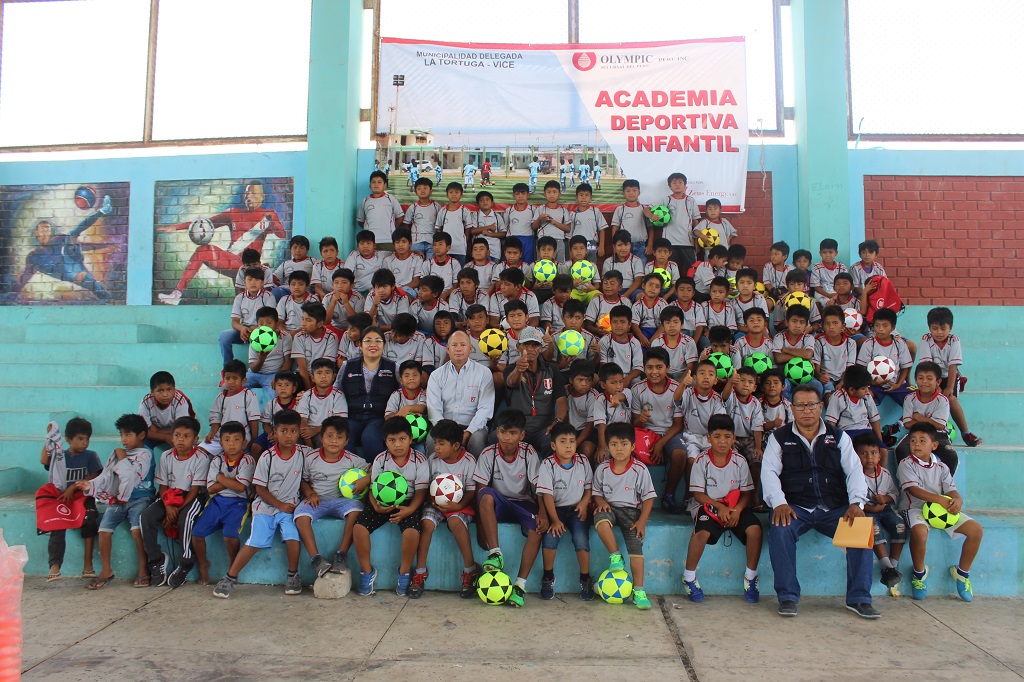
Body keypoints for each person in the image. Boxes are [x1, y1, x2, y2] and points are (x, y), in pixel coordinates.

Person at [761, 384, 878, 618]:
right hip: (796, 507)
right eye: (801, 405)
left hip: (834, 507)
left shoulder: (838, 437)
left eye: (812, 405)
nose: (807, 410)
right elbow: (769, 472)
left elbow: (855, 470)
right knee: (780, 529)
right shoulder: (779, 438)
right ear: (792, 409)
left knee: (862, 530)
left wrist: (857, 503)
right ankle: (787, 596)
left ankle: (859, 598)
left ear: (821, 407)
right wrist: (779, 503)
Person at [213, 409, 309, 598]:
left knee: (292, 537)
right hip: (265, 506)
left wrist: (308, 494)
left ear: (299, 432)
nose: (289, 436)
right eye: (284, 431)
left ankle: (292, 575)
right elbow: (260, 489)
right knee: (254, 541)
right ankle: (229, 578)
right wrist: (279, 505)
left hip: (289, 506)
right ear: (274, 432)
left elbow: (306, 479)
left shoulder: (304, 454)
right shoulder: (267, 457)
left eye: (293, 431)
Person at [157, 181, 286, 305]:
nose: (249, 196)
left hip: (250, 268)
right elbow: (205, 224)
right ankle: (177, 294)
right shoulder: (233, 213)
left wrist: (273, 220)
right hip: (231, 261)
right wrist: (176, 227)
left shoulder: (268, 215)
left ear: (262, 197)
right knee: (203, 251)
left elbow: (282, 234)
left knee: (243, 304)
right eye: (247, 193)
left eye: (253, 193)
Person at [897, 422, 983, 602]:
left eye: (922, 440)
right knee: (919, 533)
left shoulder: (942, 467)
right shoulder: (906, 464)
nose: (916, 444)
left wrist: (957, 500)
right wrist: (941, 499)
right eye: (913, 441)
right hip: (914, 509)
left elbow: (950, 489)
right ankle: (919, 574)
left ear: (934, 446)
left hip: (939, 510)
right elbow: (914, 490)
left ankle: (962, 574)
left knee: (976, 530)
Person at [683, 414, 762, 603]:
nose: (722, 441)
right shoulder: (701, 461)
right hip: (710, 505)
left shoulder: (740, 461)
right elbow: (698, 495)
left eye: (727, 436)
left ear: (734, 438)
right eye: (717, 436)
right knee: (701, 534)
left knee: (755, 530)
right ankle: (689, 577)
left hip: (735, 507)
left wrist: (736, 510)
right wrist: (719, 507)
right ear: (709, 438)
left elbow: (746, 493)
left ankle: (750, 577)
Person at [474, 409, 545, 608]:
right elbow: (480, 491)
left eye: (513, 433)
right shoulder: (489, 453)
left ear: (521, 435)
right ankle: (496, 553)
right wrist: (481, 527)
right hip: (500, 502)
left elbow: (538, 487)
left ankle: (520, 585)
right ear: (497, 432)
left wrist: (542, 513)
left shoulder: (528, 452)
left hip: (523, 502)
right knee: (486, 494)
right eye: (504, 432)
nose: (507, 437)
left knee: (537, 530)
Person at [353, 417, 430, 596]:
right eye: (391, 440)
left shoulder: (420, 460)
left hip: (408, 502)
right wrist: (376, 506)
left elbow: (421, 491)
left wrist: (410, 510)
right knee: (359, 529)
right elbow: (373, 487)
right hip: (381, 502)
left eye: (402, 439)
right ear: (385, 441)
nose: (397, 445)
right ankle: (367, 572)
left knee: (411, 533)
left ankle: (404, 573)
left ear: (411, 439)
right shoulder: (381, 459)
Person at [76, 414, 153, 590]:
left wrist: (123, 457)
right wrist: (89, 484)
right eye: (122, 435)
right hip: (118, 500)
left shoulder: (145, 454)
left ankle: (143, 567)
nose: (123, 439)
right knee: (103, 531)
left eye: (128, 435)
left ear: (141, 435)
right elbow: (107, 477)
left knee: (136, 530)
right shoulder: (119, 454)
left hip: (140, 498)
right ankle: (106, 570)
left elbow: (131, 477)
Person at [410, 420, 480, 598]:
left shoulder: (469, 461)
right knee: (426, 524)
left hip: (459, 505)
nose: (437, 448)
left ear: (456, 445)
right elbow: (425, 486)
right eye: (435, 443)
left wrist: (459, 505)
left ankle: (470, 569)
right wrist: (431, 500)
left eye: (441, 444)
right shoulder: (432, 460)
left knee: (456, 522)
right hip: (434, 505)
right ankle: (420, 572)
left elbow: (472, 491)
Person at [592, 422, 656, 609]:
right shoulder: (603, 469)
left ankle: (639, 591)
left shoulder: (640, 470)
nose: (619, 449)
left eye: (624, 444)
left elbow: (649, 498)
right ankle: (615, 556)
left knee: (636, 548)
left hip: (631, 512)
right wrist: (601, 502)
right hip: (610, 508)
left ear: (633, 446)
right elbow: (596, 492)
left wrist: (642, 522)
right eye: (614, 444)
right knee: (600, 519)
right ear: (607, 447)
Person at [294, 416, 368, 578]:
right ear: (321, 438)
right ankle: (316, 559)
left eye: (339, 437)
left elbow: (372, 470)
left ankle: (341, 554)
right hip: (318, 500)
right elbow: (304, 481)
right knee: (300, 516)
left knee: (356, 511)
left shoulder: (352, 459)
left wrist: (365, 479)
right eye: (329, 436)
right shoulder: (311, 458)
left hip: (343, 502)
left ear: (346, 441)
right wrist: (310, 493)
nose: (334, 441)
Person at [141, 416, 209, 588]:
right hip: (169, 496)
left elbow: (194, 490)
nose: (181, 440)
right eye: (177, 435)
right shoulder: (166, 456)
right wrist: (168, 506)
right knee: (146, 517)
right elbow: (163, 487)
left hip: (191, 497)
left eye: (187, 436)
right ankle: (156, 561)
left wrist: (176, 510)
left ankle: (186, 562)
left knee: (185, 520)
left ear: (195, 439)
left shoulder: (201, 458)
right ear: (171, 437)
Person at [190, 420, 255, 586]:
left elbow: (241, 488)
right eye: (226, 440)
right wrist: (229, 480)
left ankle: (233, 568)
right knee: (197, 533)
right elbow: (211, 489)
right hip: (217, 501)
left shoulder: (247, 460)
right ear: (221, 442)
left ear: (244, 442)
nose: (231, 444)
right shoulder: (217, 460)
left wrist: (220, 478)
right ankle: (203, 564)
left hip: (239, 503)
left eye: (236, 439)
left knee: (230, 535)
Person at [537, 422, 594, 600]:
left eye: (572, 441)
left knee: (581, 539)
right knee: (550, 538)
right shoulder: (548, 464)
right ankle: (548, 576)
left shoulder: (583, 461)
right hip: (556, 510)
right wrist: (554, 520)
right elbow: (546, 495)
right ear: (554, 445)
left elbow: (588, 488)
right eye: (563, 441)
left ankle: (585, 578)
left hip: (578, 509)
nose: (569, 445)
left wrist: (584, 503)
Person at [40, 417, 101, 581]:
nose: (85, 443)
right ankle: (55, 565)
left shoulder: (90, 456)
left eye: (87, 438)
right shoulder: (60, 456)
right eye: (80, 439)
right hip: (62, 498)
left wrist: (73, 487)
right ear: (68, 440)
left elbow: (95, 475)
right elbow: (44, 461)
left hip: (82, 496)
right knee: (57, 523)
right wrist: (49, 439)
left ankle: (88, 564)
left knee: (90, 518)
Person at [917, 307, 983, 446]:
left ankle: (966, 433)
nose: (939, 332)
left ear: (950, 328)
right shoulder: (926, 339)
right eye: (934, 328)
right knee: (929, 397)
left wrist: (949, 387)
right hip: (931, 376)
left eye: (943, 328)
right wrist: (935, 385)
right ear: (929, 328)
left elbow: (953, 366)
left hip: (949, 377)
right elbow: (927, 365)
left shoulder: (954, 341)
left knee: (950, 399)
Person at [426, 331, 495, 456]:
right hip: (444, 426)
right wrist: (446, 433)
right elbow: (433, 409)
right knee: (432, 441)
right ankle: (435, 475)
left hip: (473, 427)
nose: (458, 349)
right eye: (454, 345)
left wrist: (469, 432)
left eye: (463, 345)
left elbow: (485, 409)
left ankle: (476, 475)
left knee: (477, 440)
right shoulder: (436, 375)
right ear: (447, 349)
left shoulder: (484, 373)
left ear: (470, 349)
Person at [853, 433, 905, 594]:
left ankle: (893, 566)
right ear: (855, 455)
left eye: (874, 453)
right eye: (863, 453)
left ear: (880, 455)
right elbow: (851, 499)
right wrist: (871, 509)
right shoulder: (854, 475)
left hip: (885, 508)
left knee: (900, 526)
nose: (869, 457)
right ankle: (886, 566)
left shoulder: (885, 474)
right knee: (873, 529)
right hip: (865, 510)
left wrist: (885, 499)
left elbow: (894, 495)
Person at [503, 326, 567, 456]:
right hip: (518, 428)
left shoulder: (552, 370)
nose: (531, 349)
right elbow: (511, 382)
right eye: (526, 344)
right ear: (518, 346)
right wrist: (518, 370)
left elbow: (562, 401)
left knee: (558, 442)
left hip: (544, 429)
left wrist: (557, 421)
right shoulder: (510, 370)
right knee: (495, 438)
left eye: (535, 345)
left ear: (541, 347)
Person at [337, 326, 399, 458]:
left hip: (378, 418)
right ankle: (356, 470)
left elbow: (401, 393)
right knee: (341, 438)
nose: (373, 344)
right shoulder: (347, 366)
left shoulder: (393, 367)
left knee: (370, 437)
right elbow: (336, 391)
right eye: (368, 340)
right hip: (351, 418)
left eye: (378, 341)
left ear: (384, 345)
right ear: (360, 345)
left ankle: (375, 471)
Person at [890, 361, 959, 474]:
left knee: (951, 456)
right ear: (916, 380)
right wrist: (929, 421)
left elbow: (940, 426)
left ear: (938, 382)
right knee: (901, 450)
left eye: (929, 378)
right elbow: (907, 424)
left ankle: (945, 488)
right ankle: (907, 486)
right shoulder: (909, 398)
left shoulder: (942, 400)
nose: (924, 382)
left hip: (938, 435)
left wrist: (918, 417)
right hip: (915, 433)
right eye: (920, 378)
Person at [826, 365, 888, 466]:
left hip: (867, 431)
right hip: (848, 433)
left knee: (883, 452)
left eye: (867, 387)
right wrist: (834, 442)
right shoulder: (838, 397)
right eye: (863, 388)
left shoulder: (867, 396)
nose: (867, 391)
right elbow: (831, 423)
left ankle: (882, 477)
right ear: (851, 390)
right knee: (859, 455)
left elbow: (874, 420)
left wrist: (879, 440)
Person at [201, 360, 261, 458]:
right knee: (199, 452)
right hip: (221, 436)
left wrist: (254, 440)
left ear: (243, 380)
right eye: (227, 378)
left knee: (233, 453)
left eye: (235, 378)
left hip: (240, 437)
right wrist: (211, 433)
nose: (231, 382)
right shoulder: (220, 397)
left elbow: (253, 421)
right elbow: (216, 419)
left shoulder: (248, 395)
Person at [222, 267, 277, 366]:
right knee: (224, 336)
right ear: (244, 282)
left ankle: (257, 368)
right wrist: (242, 328)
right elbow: (234, 322)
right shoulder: (239, 298)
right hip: (243, 331)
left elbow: (270, 320)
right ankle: (227, 368)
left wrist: (254, 329)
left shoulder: (268, 296)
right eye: (250, 279)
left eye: (257, 280)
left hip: (261, 329)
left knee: (259, 336)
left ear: (262, 282)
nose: (253, 283)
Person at [297, 358, 348, 447]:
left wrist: (315, 430)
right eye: (319, 373)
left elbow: (339, 421)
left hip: (327, 431)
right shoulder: (306, 395)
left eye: (327, 373)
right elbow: (302, 420)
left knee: (325, 439)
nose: (323, 376)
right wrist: (308, 440)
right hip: (307, 432)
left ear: (333, 377)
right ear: (312, 377)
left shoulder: (338, 396)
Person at [137, 371, 195, 451]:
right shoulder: (146, 402)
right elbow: (144, 432)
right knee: (140, 442)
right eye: (160, 390)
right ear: (152, 392)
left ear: (174, 390)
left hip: (176, 434)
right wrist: (165, 437)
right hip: (157, 435)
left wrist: (157, 431)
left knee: (183, 441)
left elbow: (182, 429)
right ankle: (149, 463)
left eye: (169, 390)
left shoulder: (180, 401)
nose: (165, 395)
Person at [247, 307, 293, 405]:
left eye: (269, 323)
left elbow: (288, 362)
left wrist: (278, 377)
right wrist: (261, 359)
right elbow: (253, 369)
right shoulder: (255, 338)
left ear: (276, 324)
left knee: (277, 395)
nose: (265, 326)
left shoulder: (285, 337)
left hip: (273, 374)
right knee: (229, 388)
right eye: (261, 323)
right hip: (255, 374)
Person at [291, 303, 341, 390]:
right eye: (303, 319)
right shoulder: (299, 337)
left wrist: (315, 383)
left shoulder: (331, 337)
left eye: (308, 320)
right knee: (295, 382)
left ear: (320, 324)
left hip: (323, 373)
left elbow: (326, 365)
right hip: (304, 375)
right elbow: (302, 367)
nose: (303, 324)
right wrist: (309, 390)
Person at [659, 173, 702, 272]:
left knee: (691, 270)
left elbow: (695, 221)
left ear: (685, 185)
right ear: (670, 186)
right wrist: (652, 216)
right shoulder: (666, 200)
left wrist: (696, 241)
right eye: (674, 183)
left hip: (687, 243)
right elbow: (648, 210)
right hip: (670, 243)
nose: (677, 185)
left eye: (680, 182)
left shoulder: (691, 201)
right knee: (671, 271)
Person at [611, 179, 654, 263]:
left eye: (634, 190)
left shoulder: (644, 209)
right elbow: (615, 228)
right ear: (623, 193)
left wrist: (650, 245)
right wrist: (614, 245)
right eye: (628, 191)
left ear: (639, 192)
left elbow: (650, 229)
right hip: (624, 245)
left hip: (641, 246)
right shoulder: (620, 209)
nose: (631, 193)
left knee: (640, 271)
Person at [356, 170, 405, 245]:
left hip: (388, 240)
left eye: (379, 182)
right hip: (370, 242)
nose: (376, 184)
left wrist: (391, 229)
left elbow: (400, 217)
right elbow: (361, 221)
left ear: (385, 185)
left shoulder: (390, 199)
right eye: (373, 182)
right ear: (370, 185)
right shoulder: (365, 201)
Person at [434, 182, 475, 265]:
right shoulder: (442, 211)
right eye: (451, 192)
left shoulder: (465, 211)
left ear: (461, 195)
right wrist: (442, 243)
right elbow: (439, 228)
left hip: (460, 248)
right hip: (445, 249)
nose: (453, 195)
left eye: (456, 192)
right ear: (447, 195)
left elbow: (468, 229)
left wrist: (463, 241)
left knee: (460, 272)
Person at [532, 181, 571, 262]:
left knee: (559, 267)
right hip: (543, 242)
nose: (552, 194)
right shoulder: (540, 209)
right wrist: (540, 218)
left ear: (559, 194)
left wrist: (554, 222)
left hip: (559, 241)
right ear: (544, 195)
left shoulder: (564, 211)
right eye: (549, 192)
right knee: (542, 267)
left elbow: (568, 229)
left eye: (554, 192)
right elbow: (533, 227)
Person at [270, 236, 318, 300]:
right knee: (275, 292)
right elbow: (273, 278)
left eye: (301, 248)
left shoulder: (313, 261)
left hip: (305, 290)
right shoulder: (285, 264)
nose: (298, 250)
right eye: (295, 247)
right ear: (291, 249)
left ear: (307, 250)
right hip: (287, 290)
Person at [404, 177, 440, 258]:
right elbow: (406, 224)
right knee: (417, 265)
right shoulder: (412, 207)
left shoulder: (436, 206)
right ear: (416, 192)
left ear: (431, 191)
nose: (422, 190)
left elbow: (440, 224)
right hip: (416, 241)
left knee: (430, 264)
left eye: (425, 188)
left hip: (432, 241)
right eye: (419, 188)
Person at [383, 228, 424, 299]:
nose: (400, 245)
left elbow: (416, 282)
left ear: (410, 244)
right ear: (393, 245)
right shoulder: (387, 260)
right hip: (392, 291)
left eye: (404, 242)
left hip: (410, 290)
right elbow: (386, 281)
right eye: (397, 242)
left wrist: (400, 289)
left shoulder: (417, 259)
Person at [570, 183, 606, 262]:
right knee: (577, 267)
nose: (584, 198)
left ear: (590, 198)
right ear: (577, 197)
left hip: (592, 244)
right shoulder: (573, 214)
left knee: (591, 267)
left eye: (586, 195)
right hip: (577, 244)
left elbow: (602, 229)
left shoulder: (595, 211)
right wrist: (570, 249)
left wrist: (601, 246)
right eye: (581, 195)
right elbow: (570, 233)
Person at [344, 230, 387, 295]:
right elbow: (346, 273)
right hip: (356, 291)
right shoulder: (354, 255)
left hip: (373, 292)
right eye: (362, 243)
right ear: (357, 246)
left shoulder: (381, 255)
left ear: (374, 245)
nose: (365, 246)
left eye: (368, 243)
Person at [811, 238, 849, 305]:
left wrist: (838, 294)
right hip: (823, 294)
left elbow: (846, 284)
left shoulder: (842, 267)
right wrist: (829, 295)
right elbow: (816, 287)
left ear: (836, 253)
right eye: (824, 252)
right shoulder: (817, 267)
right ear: (820, 253)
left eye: (830, 252)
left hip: (839, 293)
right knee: (829, 303)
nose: (827, 255)